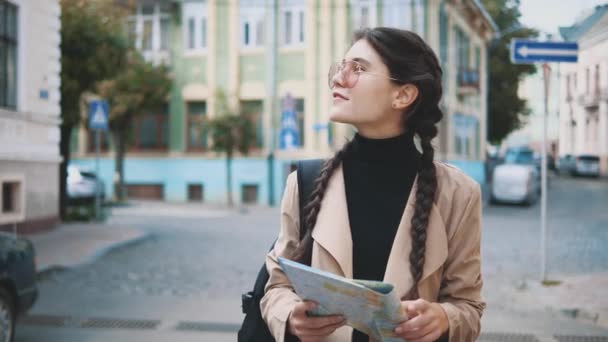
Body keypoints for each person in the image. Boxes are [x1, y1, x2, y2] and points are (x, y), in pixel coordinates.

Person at [261, 27, 484, 342]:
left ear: (403, 95)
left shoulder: (458, 194)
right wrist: (290, 317)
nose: (339, 79)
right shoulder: (306, 181)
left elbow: (469, 307)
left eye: (359, 69)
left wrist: (443, 318)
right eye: (341, 67)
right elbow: (277, 286)